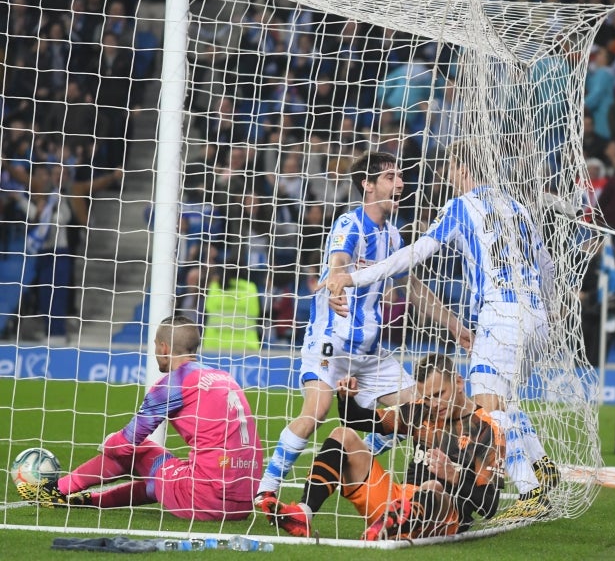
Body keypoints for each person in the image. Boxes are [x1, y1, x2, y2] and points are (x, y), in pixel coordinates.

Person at [322, 139, 560, 520]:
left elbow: (412, 255)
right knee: (507, 400)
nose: (448, 176)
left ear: (461, 169)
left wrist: (354, 276)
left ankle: (530, 493)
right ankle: (544, 470)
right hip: (537, 318)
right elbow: (546, 267)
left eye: (450, 168)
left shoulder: (462, 206)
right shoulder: (518, 208)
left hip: (502, 315)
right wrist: (549, 312)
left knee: (487, 408)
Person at [255, 151, 472, 523]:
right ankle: (266, 489)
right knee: (316, 414)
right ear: (366, 185)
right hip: (332, 345)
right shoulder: (349, 224)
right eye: (389, 177)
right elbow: (338, 261)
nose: (399, 183)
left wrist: (456, 326)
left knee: (419, 408)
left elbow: (412, 288)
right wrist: (337, 285)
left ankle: (352, 457)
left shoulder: (393, 233)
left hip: (372, 354)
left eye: (399, 175)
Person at [17, 315, 263, 520]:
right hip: (242, 502)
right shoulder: (224, 377)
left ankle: (55, 490)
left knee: (137, 450)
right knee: (164, 470)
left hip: (206, 498)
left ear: (163, 348)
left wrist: (110, 444)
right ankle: (91, 500)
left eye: (155, 345)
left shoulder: (175, 383)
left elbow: (127, 444)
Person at [263, 353, 505, 539]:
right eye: (427, 396)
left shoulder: (487, 430)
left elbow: (489, 506)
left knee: (431, 486)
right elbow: (357, 420)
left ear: (459, 383)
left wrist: (453, 475)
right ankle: (304, 513)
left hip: (445, 515)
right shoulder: (419, 409)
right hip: (398, 501)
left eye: (440, 393)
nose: (433, 403)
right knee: (343, 434)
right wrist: (346, 397)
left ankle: (392, 525)